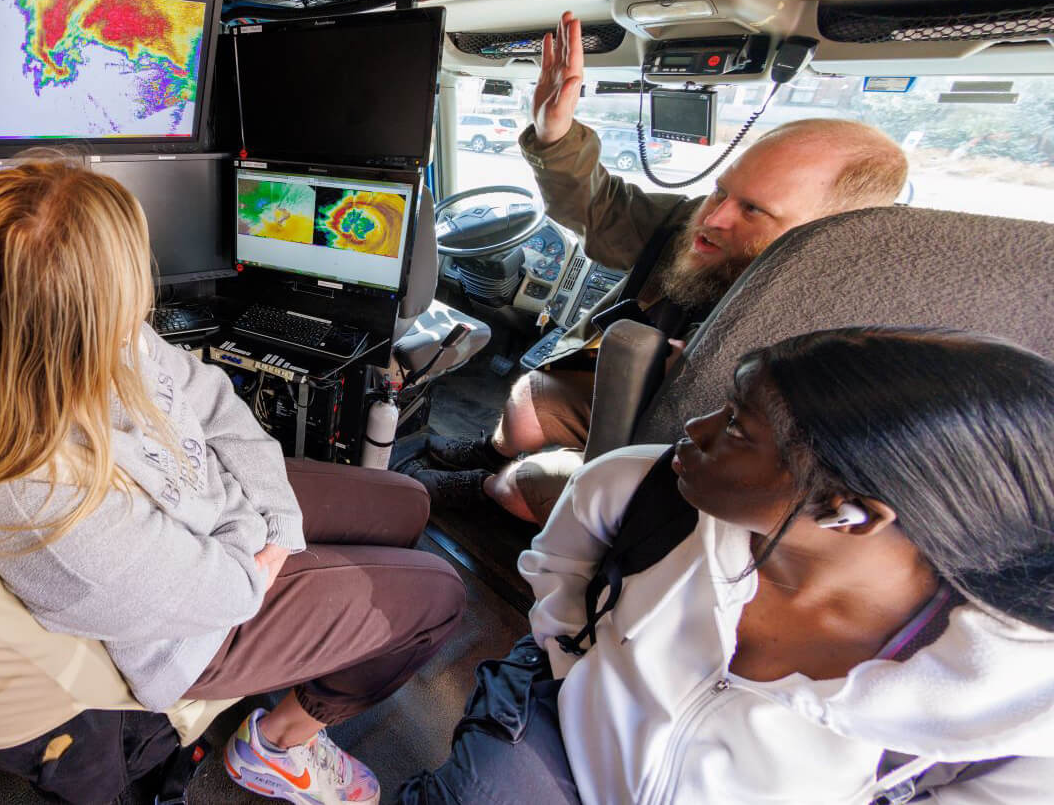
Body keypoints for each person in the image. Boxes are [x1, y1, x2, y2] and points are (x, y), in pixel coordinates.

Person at [0, 155, 466, 805]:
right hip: (201, 633)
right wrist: (257, 532)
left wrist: (279, 522)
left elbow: (211, 401)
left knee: (408, 505)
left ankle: (336, 609)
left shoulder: (111, 342)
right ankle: (281, 744)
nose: (142, 306)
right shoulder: (34, 499)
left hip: (230, 533)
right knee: (439, 596)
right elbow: (231, 590)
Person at [401, 327, 1054, 804]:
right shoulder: (636, 488)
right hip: (562, 743)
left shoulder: (1014, 707)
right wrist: (574, 668)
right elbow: (559, 573)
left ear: (849, 510)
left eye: (737, 428)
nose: (695, 428)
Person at [407, 12, 909, 525]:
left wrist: (708, 375)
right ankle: (492, 456)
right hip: (637, 395)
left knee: (522, 485)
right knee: (526, 397)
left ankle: (494, 492)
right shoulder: (691, 222)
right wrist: (554, 135)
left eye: (753, 210)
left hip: (700, 454)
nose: (712, 218)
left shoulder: (848, 322)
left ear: (830, 229)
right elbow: (600, 208)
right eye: (721, 189)